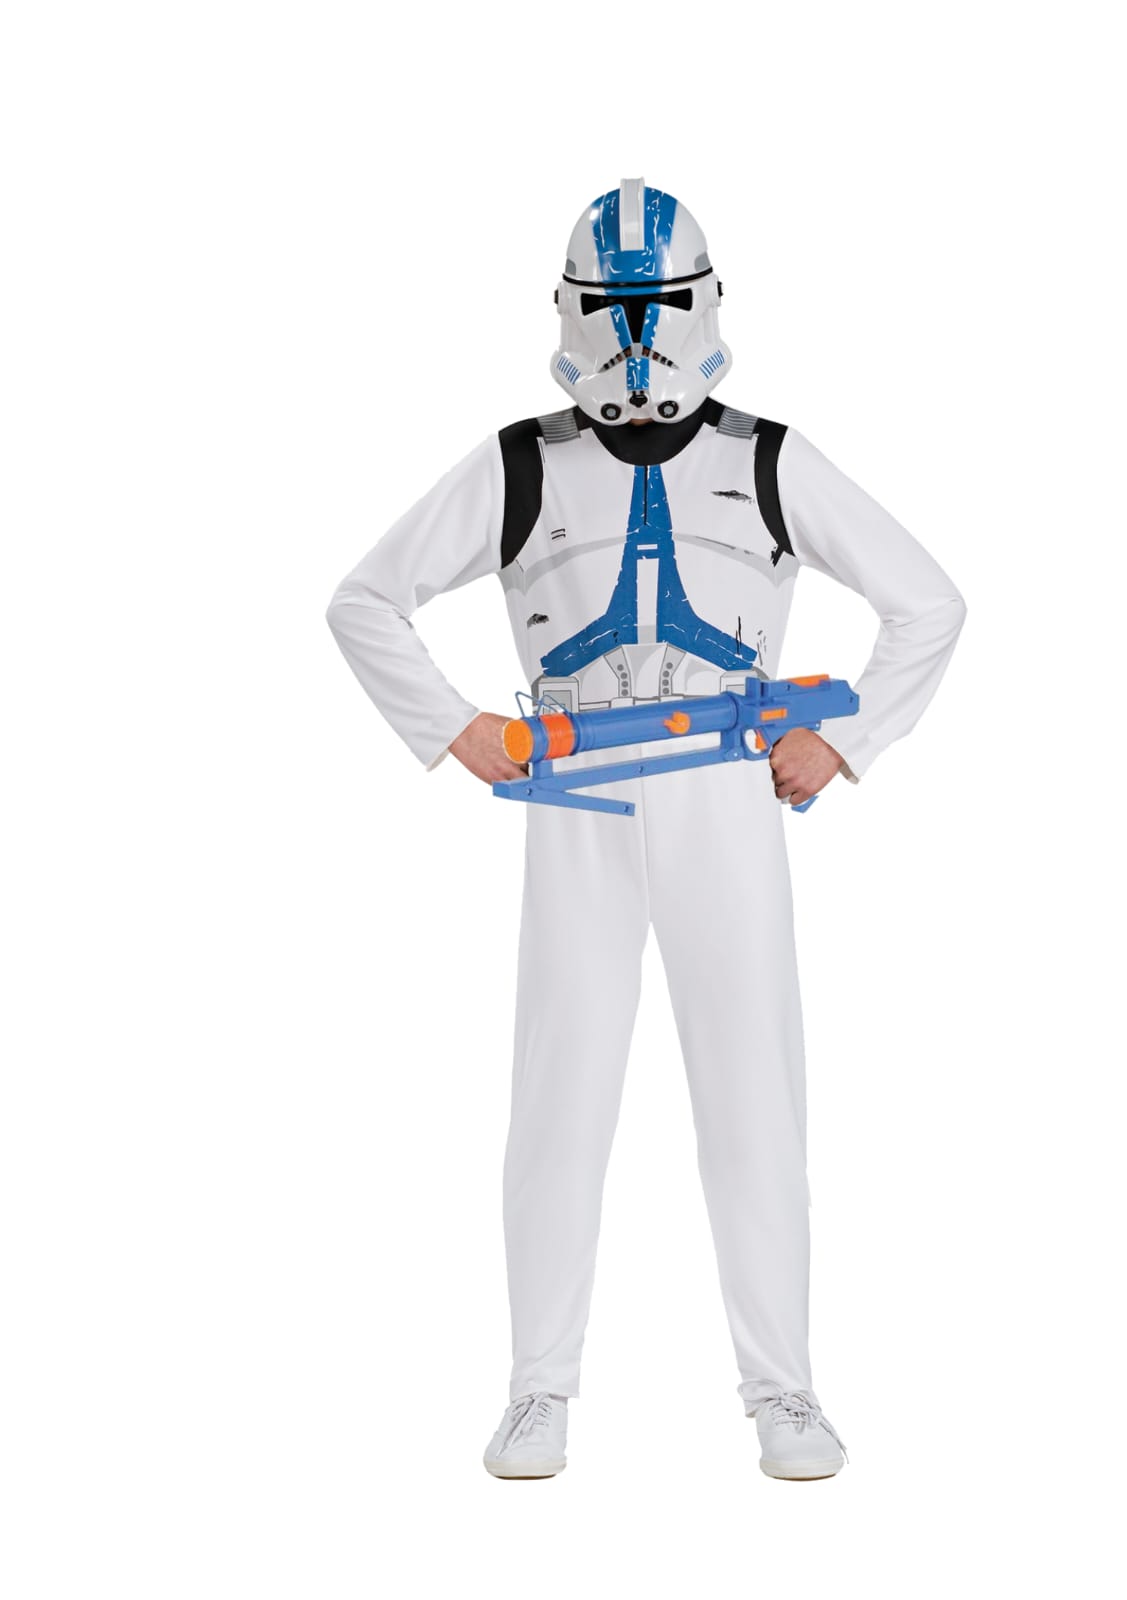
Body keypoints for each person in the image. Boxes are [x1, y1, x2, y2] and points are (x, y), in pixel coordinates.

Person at [326, 179, 967, 1480]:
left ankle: (784, 1388)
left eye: (658, 305)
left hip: (727, 792)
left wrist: (845, 744)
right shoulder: (520, 462)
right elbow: (364, 601)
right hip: (577, 797)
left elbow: (930, 603)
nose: (635, 335)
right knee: (561, 1094)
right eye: (612, 306)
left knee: (752, 1095)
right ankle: (537, 1389)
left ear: (702, 304)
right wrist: (455, 729)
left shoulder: (770, 458)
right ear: (571, 307)